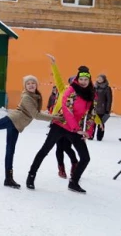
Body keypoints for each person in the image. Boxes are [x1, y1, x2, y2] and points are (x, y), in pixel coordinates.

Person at [0, 75, 58, 188]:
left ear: (36, 85)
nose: (31, 85)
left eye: (33, 83)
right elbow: (36, 115)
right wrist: (54, 117)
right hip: (14, 119)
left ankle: (8, 178)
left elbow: (36, 112)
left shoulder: (35, 96)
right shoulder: (27, 97)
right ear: (25, 86)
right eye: (28, 83)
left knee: (10, 150)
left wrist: (53, 116)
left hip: (17, 124)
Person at [25, 66, 97, 194]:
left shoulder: (91, 94)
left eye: (86, 79)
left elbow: (92, 113)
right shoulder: (71, 91)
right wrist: (77, 128)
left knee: (85, 158)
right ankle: (31, 176)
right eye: (81, 79)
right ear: (77, 79)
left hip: (76, 129)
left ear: (89, 80)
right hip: (60, 124)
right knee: (45, 150)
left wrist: (88, 131)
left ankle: (74, 182)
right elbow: (67, 110)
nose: (83, 82)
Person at [94, 74, 113, 141]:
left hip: (102, 108)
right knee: (92, 123)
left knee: (101, 123)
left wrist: (107, 109)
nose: (99, 80)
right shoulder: (94, 87)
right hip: (94, 108)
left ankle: (100, 137)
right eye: (98, 78)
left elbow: (109, 100)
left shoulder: (107, 88)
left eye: (101, 78)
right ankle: (90, 135)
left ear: (104, 79)